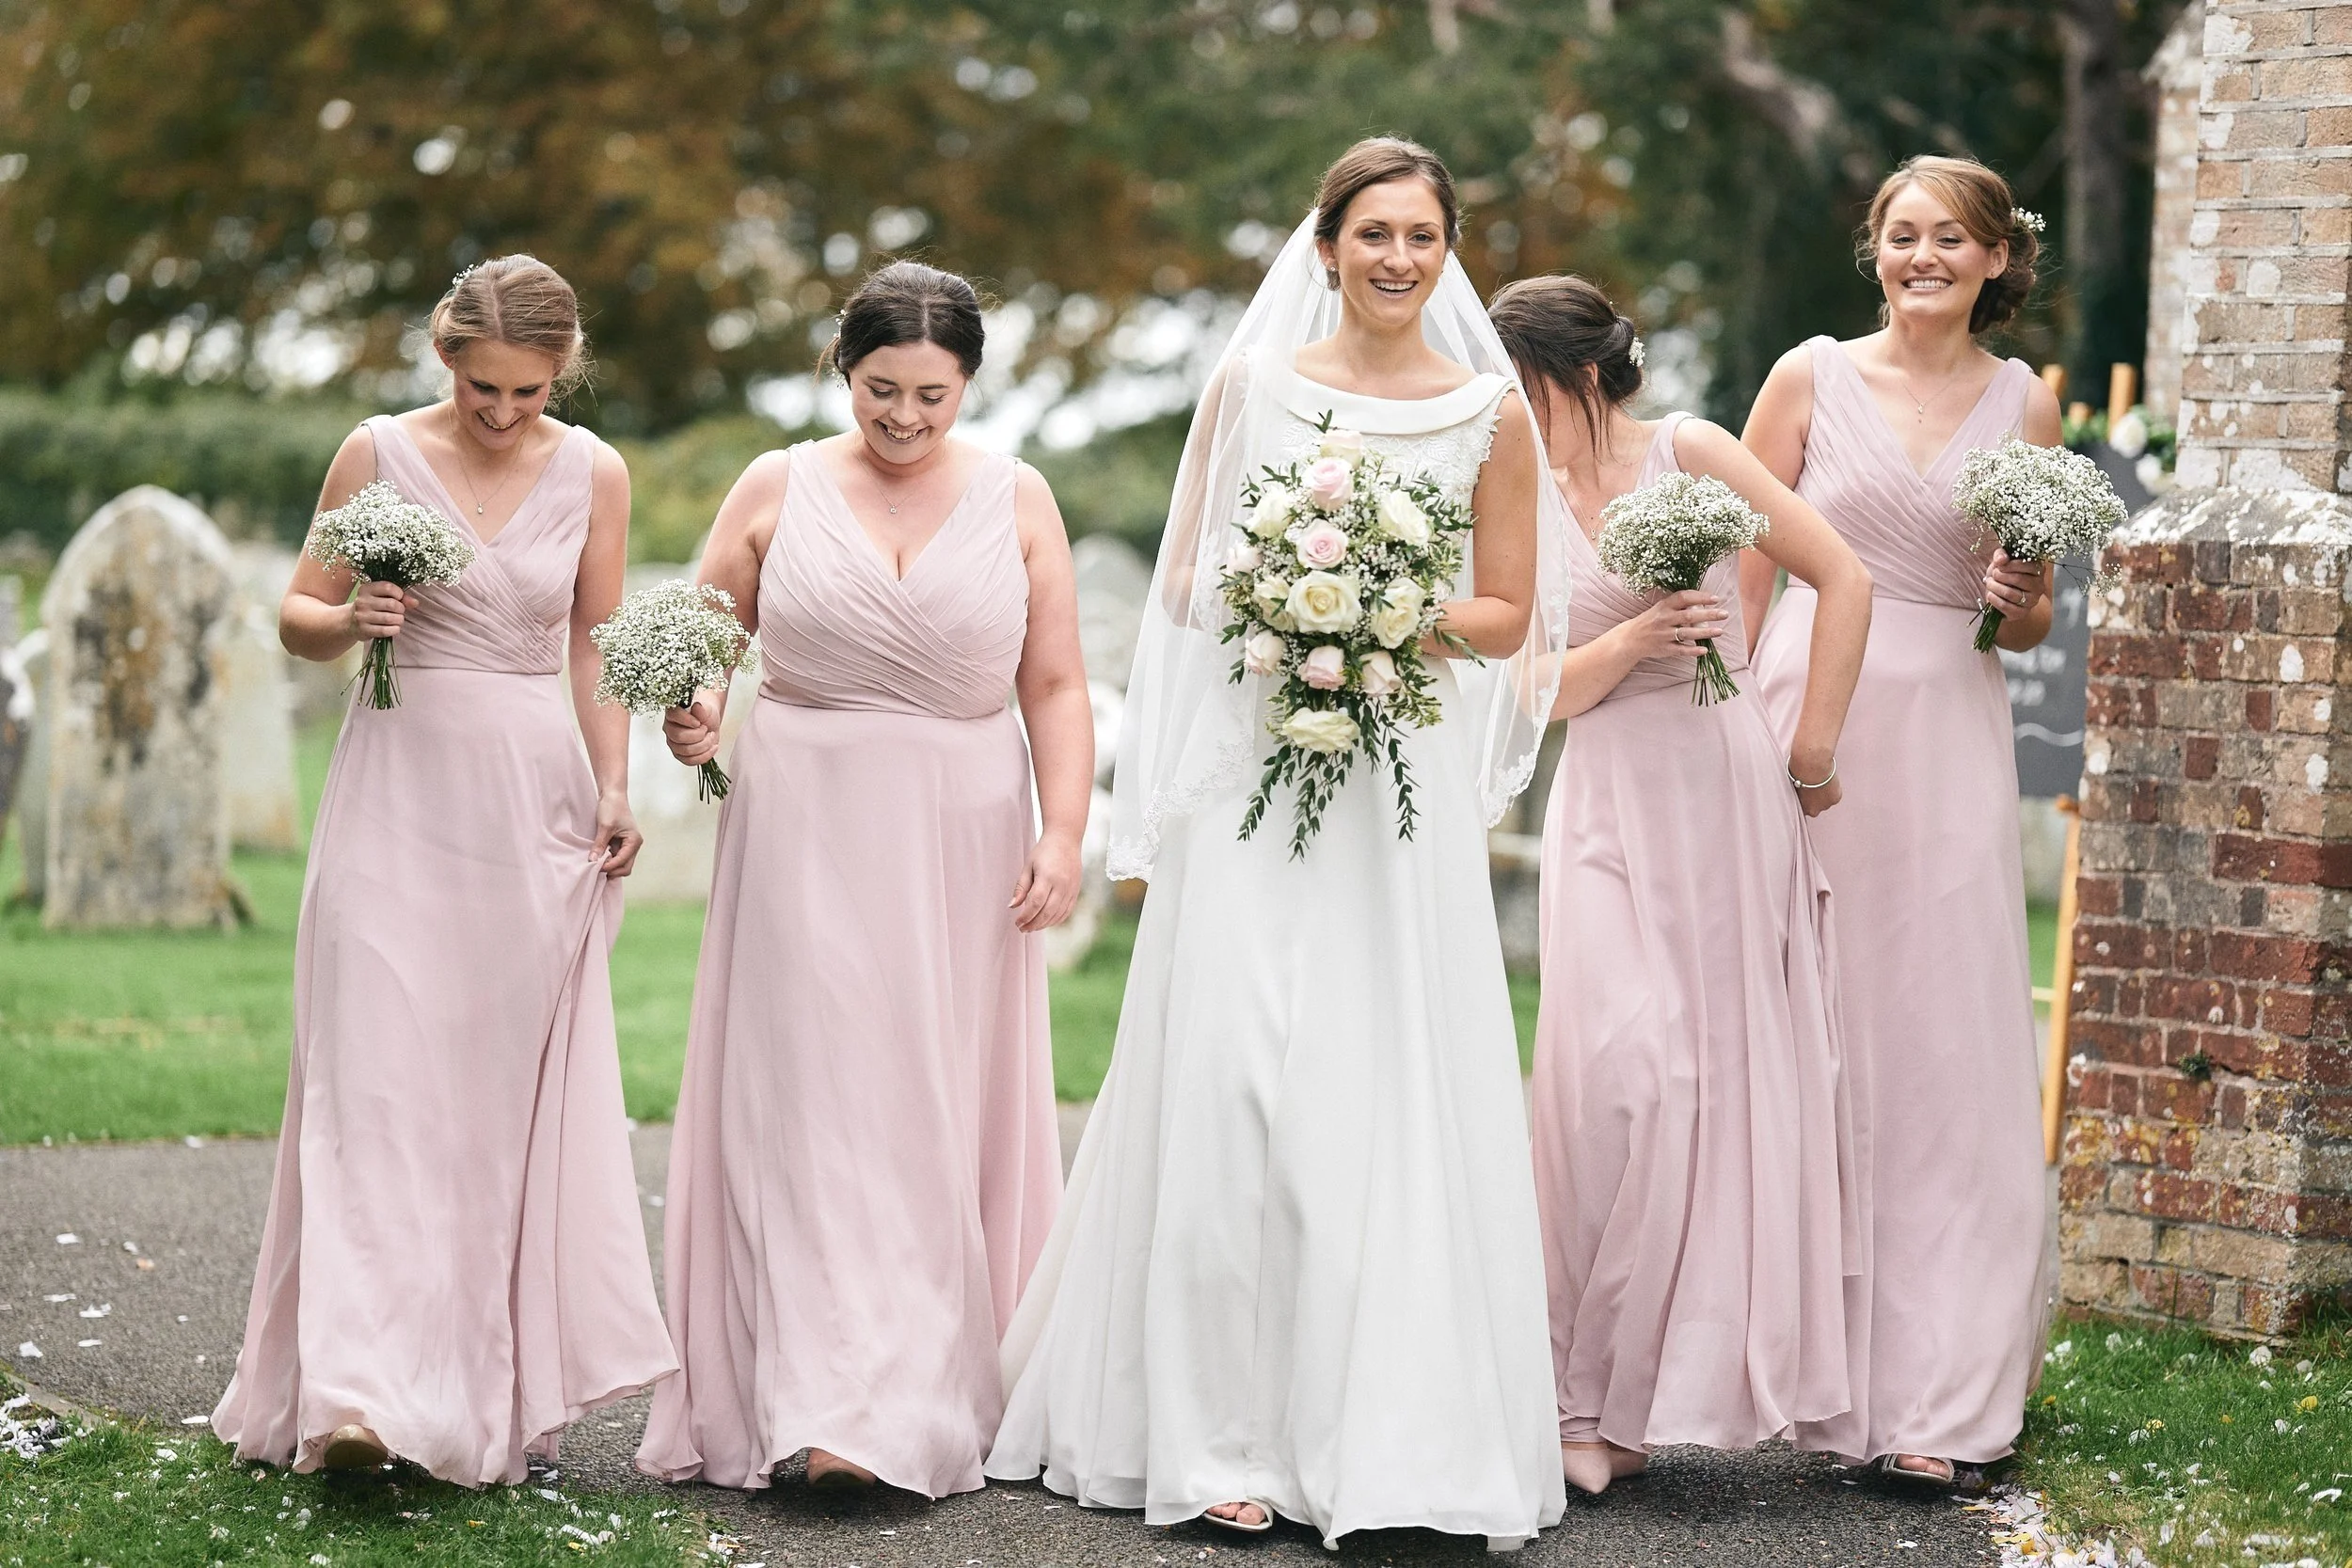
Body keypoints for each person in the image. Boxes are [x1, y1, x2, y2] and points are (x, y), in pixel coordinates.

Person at [985, 137, 1571, 1551]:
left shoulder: (1491, 412)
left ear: (1447, 253)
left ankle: (1391, 1439)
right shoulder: (1251, 386)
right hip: (1259, 765)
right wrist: (1286, 594)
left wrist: (1384, 611)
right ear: (1325, 248)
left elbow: (1508, 612)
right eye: (1373, 234)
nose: (1397, 259)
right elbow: (1186, 577)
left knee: (1382, 1078)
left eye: (1422, 237)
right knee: (1236, 1067)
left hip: (1398, 786)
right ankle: (1212, 1435)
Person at [213, 255, 674, 1484]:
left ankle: (466, 1391)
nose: (504, 412)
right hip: (393, 796)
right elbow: (295, 614)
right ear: (445, 357)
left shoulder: (596, 471)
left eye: (530, 391)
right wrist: (349, 618)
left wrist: (615, 780)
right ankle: (358, 1399)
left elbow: (593, 640)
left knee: (483, 1114)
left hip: (530, 805)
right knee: (375, 1090)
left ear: (560, 375)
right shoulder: (374, 453)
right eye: (483, 387)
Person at [636, 261, 1091, 1498]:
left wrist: (1063, 832)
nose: (903, 417)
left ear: (970, 385)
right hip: (806, 822)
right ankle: (828, 1403)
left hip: (962, 835)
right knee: (818, 1099)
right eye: (881, 389)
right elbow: (703, 638)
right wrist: (696, 708)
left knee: (932, 1099)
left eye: (931, 396)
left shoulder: (1019, 497)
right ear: (844, 370)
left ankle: (926, 1380)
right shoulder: (775, 485)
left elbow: (1054, 682)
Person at [1489, 275, 1873, 1496]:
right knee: (1611, 1081)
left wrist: (1809, 751)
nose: (1505, 409)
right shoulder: (1511, 490)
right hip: (1604, 802)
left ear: (1581, 376)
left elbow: (1843, 575)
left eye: (1521, 386)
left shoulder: (1689, 450)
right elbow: (1520, 691)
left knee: (1697, 1084)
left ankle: (1633, 1405)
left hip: (1719, 790)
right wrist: (1627, 641)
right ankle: (1561, 1386)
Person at [1739, 154, 2063, 1485]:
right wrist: (1721, 720)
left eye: (1951, 238)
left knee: (1942, 1041)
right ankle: (1782, 1359)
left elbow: (2029, 623)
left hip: (1945, 731)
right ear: (1874, 251)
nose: (1923, 257)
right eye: (1902, 235)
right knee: (1799, 1018)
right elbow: (1742, 558)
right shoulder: (1806, 377)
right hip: (1801, 712)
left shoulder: (2026, 401)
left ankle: (1940, 1392)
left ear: (1996, 259)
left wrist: (2020, 595)